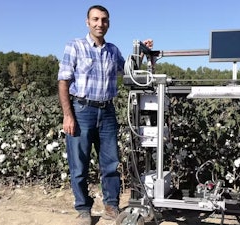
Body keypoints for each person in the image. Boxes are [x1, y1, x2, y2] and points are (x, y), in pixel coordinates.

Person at [57, 5, 153, 224]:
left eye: (104, 20)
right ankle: (83, 209)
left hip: (107, 111)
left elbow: (129, 71)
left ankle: (111, 206)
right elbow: (63, 81)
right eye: (96, 19)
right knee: (78, 164)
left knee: (110, 164)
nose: (100, 24)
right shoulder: (75, 46)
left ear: (108, 23)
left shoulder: (113, 50)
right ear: (87, 22)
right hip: (81, 111)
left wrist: (142, 53)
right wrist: (67, 114)